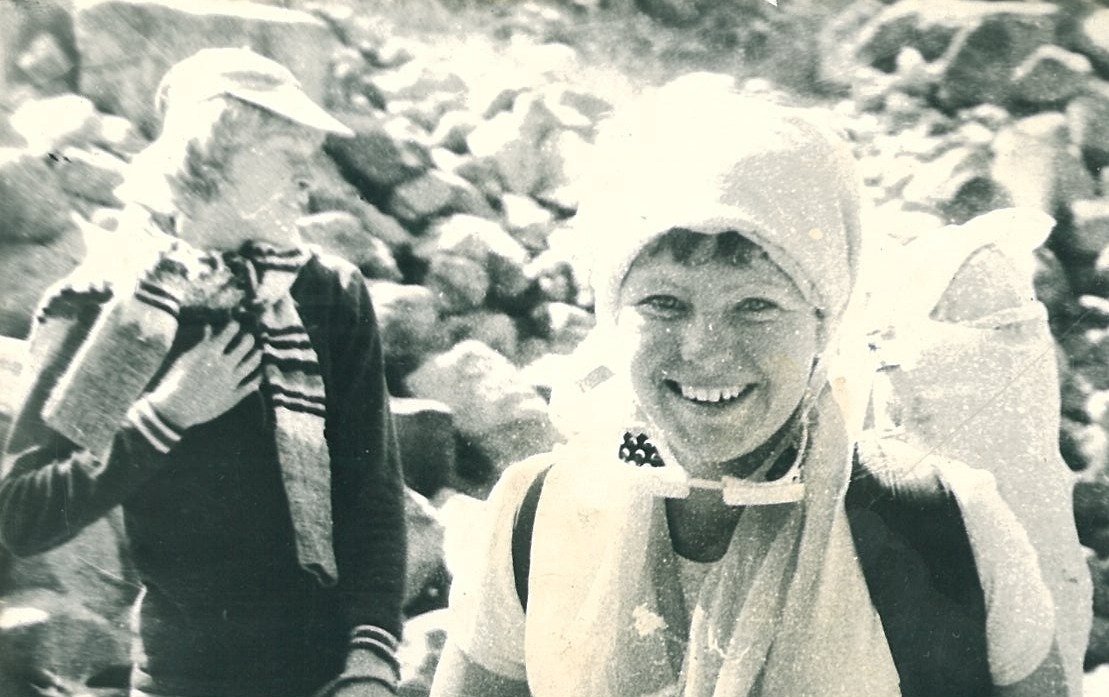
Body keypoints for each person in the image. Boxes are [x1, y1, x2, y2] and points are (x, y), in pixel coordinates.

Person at [429, 76, 1081, 697]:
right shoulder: (534, 516)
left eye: (755, 306)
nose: (703, 350)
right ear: (611, 314)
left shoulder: (940, 526)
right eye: (663, 303)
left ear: (823, 321)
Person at [0, 48, 405, 697]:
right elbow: (25, 514)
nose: (311, 179)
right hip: (184, 677)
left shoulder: (327, 294)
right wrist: (165, 416)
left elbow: (373, 494)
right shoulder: (110, 305)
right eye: (289, 156)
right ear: (209, 155)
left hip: (334, 673)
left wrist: (373, 658)